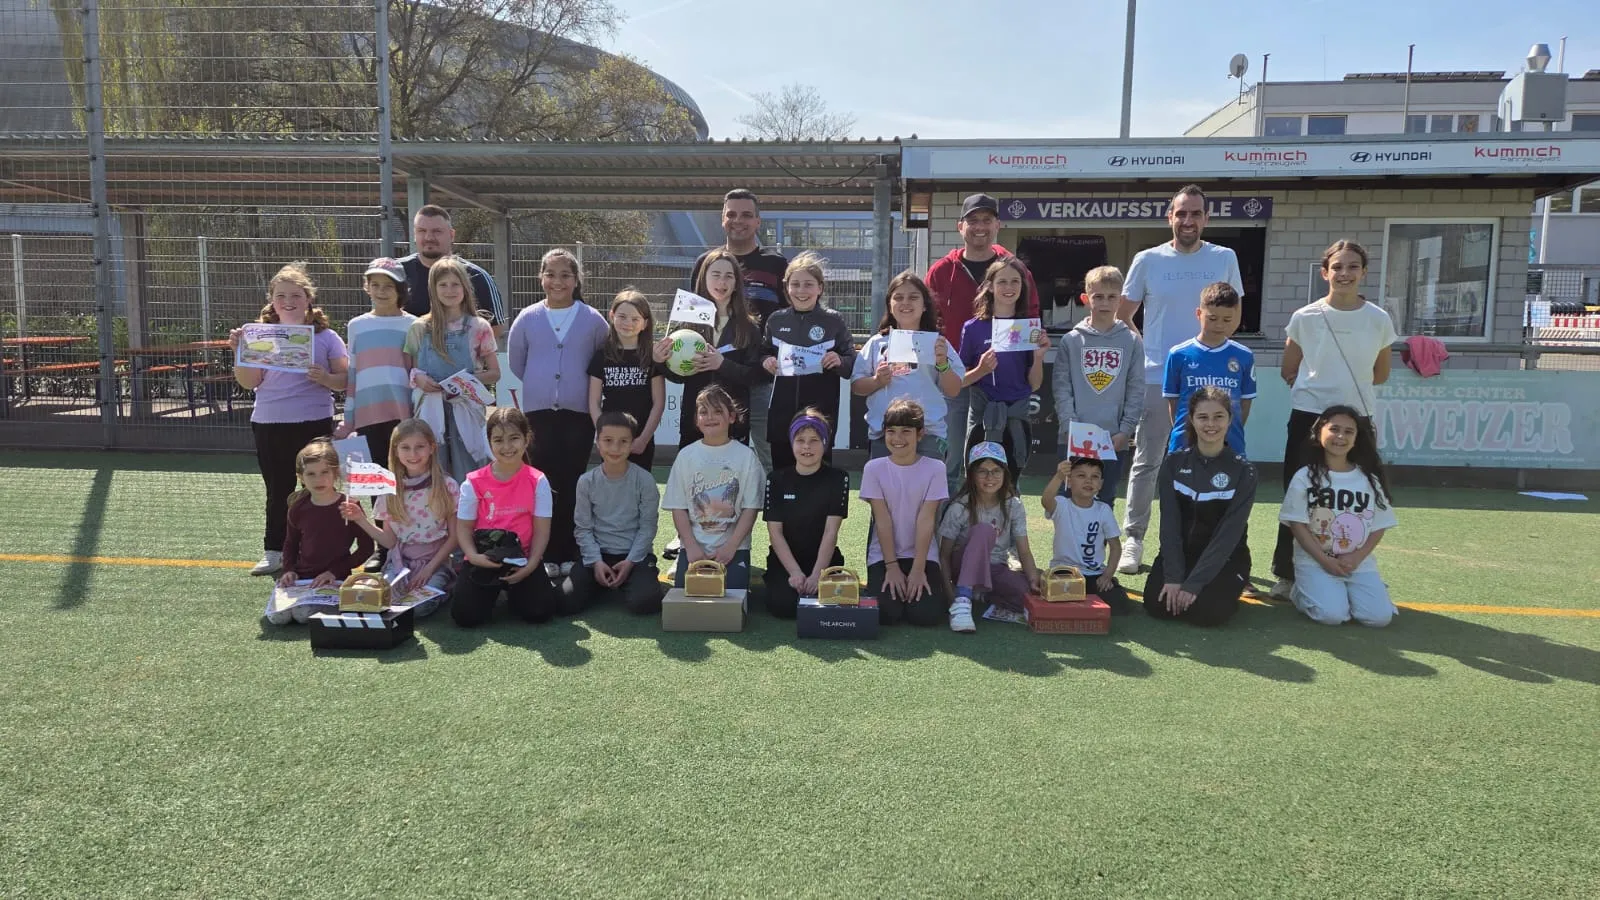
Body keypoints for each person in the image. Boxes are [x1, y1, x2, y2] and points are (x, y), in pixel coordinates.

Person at [1116, 185, 1243, 576]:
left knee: (1212, 461)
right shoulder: (1147, 259)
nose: (1188, 220)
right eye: (1181, 213)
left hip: (1211, 378)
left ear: (1206, 218)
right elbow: (1124, 315)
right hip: (1158, 375)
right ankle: (1134, 538)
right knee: (1149, 461)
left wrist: (1214, 352)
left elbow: (1234, 313)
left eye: (1196, 213)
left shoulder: (1224, 257)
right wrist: (1148, 351)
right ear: (1169, 216)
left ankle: (1207, 544)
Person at [1271, 240, 1398, 602]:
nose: (1345, 274)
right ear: (1325, 272)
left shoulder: (1378, 319)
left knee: (1360, 495)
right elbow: (1289, 368)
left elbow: (1381, 373)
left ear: (1364, 272)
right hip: (1309, 417)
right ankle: (1287, 574)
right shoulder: (1305, 317)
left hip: (1359, 417)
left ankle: (1357, 568)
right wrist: (1320, 393)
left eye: (1353, 266)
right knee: (1299, 493)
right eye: (1337, 267)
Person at [233, 262, 349, 576]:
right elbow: (249, 382)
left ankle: (324, 549)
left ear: (308, 299)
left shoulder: (326, 337)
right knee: (278, 489)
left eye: (296, 295)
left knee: (321, 486)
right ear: (272, 300)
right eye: (281, 295)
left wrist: (325, 378)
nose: (288, 301)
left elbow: (345, 380)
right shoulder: (257, 335)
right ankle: (274, 551)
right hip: (269, 422)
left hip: (314, 421)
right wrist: (241, 351)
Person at [926, 193, 1040, 494]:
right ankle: (949, 521)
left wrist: (1033, 352)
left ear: (998, 225)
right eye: (973, 220)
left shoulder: (1014, 269)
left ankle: (999, 521)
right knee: (952, 459)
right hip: (957, 376)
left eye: (987, 220)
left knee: (1000, 463)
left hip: (1001, 385)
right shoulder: (941, 271)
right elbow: (928, 320)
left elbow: (1031, 314)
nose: (980, 227)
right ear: (960, 226)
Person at [507, 248, 609, 574]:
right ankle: (547, 552)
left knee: (572, 482)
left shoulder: (593, 320)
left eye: (566, 275)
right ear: (541, 278)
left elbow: (602, 361)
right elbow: (517, 362)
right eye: (550, 274)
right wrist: (541, 382)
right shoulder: (528, 318)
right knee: (543, 483)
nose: (558, 281)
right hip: (538, 414)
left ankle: (570, 550)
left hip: (578, 414)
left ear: (576, 280)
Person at [689, 189, 789, 472]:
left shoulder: (776, 264)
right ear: (722, 219)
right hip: (715, 377)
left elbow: (789, 318)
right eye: (731, 214)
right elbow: (693, 317)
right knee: (718, 458)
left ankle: (772, 502)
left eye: (746, 215)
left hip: (764, 377)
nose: (738, 221)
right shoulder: (704, 263)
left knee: (771, 457)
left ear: (758, 221)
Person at [1143, 387, 1257, 627]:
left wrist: (1194, 584)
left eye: (1218, 416)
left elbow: (1228, 536)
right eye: (1203, 417)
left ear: (1229, 420)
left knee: (1207, 613)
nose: (1211, 424)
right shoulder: (1173, 464)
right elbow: (1170, 526)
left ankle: (1224, 588)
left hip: (1225, 558)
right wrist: (1173, 578)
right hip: (1183, 555)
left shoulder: (1243, 471)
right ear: (1192, 420)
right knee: (1157, 604)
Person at [1278, 406, 1399, 627]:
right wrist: (1324, 560)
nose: (1341, 436)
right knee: (1331, 616)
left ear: (1356, 439)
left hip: (1356, 563)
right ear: (1319, 433)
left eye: (1348, 431)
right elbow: (1297, 525)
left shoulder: (1368, 480)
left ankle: (1352, 592)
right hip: (1315, 561)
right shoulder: (1304, 477)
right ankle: (1300, 593)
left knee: (1378, 619)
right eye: (1334, 429)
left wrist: (1357, 557)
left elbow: (1379, 525)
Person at [450, 407, 561, 627]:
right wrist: (473, 557)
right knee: (465, 616)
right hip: (484, 559)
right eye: (498, 440)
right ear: (490, 443)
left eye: (514, 438)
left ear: (526, 439)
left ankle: (514, 591)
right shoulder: (473, 482)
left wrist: (531, 565)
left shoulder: (538, 480)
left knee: (540, 612)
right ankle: (495, 592)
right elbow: (463, 528)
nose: (507, 447)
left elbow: (541, 530)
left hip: (523, 560)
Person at [339, 418, 458, 618]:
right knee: (386, 601)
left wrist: (429, 570)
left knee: (420, 607)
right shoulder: (389, 489)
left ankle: (447, 588)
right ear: (395, 450)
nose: (413, 454)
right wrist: (360, 519)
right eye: (405, 447)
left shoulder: (447, 486)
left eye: (420, 447)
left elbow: (455, 537)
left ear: (432, 448)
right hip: (400, 563)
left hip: (436, 563)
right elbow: (389, 541)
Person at [656, 247, 769, 447]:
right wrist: (661, 362)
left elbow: (756, 376)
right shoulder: (688, 322)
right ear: (704, 278)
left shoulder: (748, 327)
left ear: (736, 283)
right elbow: (679, 376)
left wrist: (722, 364)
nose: (721, 282)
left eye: (728, 276)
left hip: (733, 424)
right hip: (694, 421)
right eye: (715, 275)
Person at [404, 256, 500, 484]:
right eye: (443, 285)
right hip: (430, 410)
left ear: (465, 287)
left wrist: (465, 382)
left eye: (455, 284)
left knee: (468, 471)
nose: (450, 290)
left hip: (466, 409)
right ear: (433, 288)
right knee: (432, 470)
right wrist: (419, 379)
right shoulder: (419, 327)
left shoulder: (479, 326)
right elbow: (412, 369)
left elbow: (495, 373)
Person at [1053, 264, 1143, 506]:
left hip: (1113, 439)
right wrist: (1070, 426)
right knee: (1068, 502)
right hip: (1073, 439)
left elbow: (1136, 389)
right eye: (1098, 296)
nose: (1105, 302)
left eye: (1112, 297)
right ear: (1085, 299)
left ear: (1121, 300)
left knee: (1104, 502)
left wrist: (1126, 430)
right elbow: (1062, 387)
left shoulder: (1132, 341)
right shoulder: (1071, 340)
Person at [662, 385, 765, 593]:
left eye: (718, 411)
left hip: (734, 549)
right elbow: (678, 507)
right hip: (694, 548)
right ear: (696, 419)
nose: (710, 417)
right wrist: (690, 546)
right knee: (686, 597)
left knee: (732, 596)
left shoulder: (746, 457)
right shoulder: (686, 456)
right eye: (703, 412)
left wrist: (731, 546)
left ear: (732, 417)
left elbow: (751, 508)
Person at [852, 271, 966, 460]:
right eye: (898, 297)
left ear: (924, 305)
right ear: (890, 305)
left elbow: (953, 390)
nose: (905, 302)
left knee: (928, 480)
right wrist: (877, 381)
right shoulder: (876, 343)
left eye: (913, 297)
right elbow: (857, 386)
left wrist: (943, 364)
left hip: (928, 433)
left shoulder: (938, 343)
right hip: (885, 433)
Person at [859, 399, 953, 627]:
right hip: (884, 555)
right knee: (886, 614)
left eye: (906, 431)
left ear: (920, 434)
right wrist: (891, 567)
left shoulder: (936, 468)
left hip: (922, 555)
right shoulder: (873, 468)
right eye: (891, 431)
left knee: (926, 616)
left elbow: (926, 520)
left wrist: (919, 569)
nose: (897, 438)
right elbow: (882, 520)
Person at [760, 252, 855, 472]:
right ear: (786, 288)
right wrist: (766, 361)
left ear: (820, 288)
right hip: (781, 414)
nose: (801, 291)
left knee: (818, 473)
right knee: (782, 472)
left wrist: (839, 360)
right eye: (795, 284)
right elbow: (762, 353)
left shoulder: (833, 321)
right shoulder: (776, 320)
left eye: (808, 284)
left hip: (821, 413)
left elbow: (851, 362)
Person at [958, 257, 1051, 482]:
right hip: (983, 415)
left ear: (1022, 286)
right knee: (978, 481)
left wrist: (1038, 357)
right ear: (990, 286)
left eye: (1015, 281)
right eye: (1002, 281)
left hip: (1017, 414)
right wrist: (981, 370)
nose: (1009, 287)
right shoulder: (973, 328)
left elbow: (1034, 384)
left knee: (1011, 481)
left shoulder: (1028, 329)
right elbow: (958, 381)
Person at [264, 440, 374, 625]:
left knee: (303, 615)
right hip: (302, 579)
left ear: (335, 473)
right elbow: (290, 543)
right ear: (301, 477)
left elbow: (366, 547)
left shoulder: (349, 506)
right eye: (311, 474)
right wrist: (289, 571)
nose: (318, 479)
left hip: (334, 579)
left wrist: (334, 572)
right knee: (278, 617)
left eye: (325, 472)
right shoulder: (298, 508)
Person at [937, 442, 1040, 632]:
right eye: (982, 471)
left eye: (996, 471)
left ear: (1005, 474)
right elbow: (944, 555)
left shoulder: (1014, 505)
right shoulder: (959, 507)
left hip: (995, 567)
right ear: (972, 475)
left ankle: (981, 595)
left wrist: (1033, 579)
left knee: (1025, 594)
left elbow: (1024, 551)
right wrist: (951, 597)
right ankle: (963, 598)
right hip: (962, 566)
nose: (990, 477)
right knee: (984, 531)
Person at [569, 412, 663, 616]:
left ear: (632, 443)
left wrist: (630, 562)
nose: (615, 448)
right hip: (598, 554)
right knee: (566, 601)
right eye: (608, 441)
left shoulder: (644, 480)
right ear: (597, 442)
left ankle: (629, 578)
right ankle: (601, 579)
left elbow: (648, 528)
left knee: (646, 602)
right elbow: (583, 528)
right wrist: (596, 562)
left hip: (634, 556)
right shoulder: (586, 482)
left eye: (623, 442)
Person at [762, 409, 851, 619]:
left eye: (814, 440)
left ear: (825, 443)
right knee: (783, 606)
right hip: (786, 560)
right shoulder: (776, 480)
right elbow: (775, 533)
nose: (806, 447)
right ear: (791, 443)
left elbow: (831, 532)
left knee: (829, 602)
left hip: (823, 559)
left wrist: (818, 574)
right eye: (800, 440)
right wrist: (794, 572)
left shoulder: (838, 479)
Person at [339, 257, 416, 485]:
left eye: (388, 286)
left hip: (403, 414)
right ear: (367, 287)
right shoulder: (356, 325)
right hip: (367, 415)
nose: (381, 291)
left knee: (404, 480)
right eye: (375, 285)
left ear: (400, 289)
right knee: (374, 484)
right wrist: (349, 419)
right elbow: (353, 373)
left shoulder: (414, 325)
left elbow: (416, 371)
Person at [1163, 282, 1256, 455]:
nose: (1219, 325)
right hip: (1184, 445)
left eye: (1227, 320)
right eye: (1212, 319)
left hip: (1230, 446)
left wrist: (1222, 431)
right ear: (1199, 314)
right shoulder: (1178, 354)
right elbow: (1173, 403)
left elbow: (1244, 403)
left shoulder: (1244, 355)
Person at [1041, 456, 1132, 615]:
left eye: (1094, 476)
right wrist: (1059, 476)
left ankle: (1088, 597)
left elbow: (1115, 547)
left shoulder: (1103, 510)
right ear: (1069, 481)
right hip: (1064, 573)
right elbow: (1046, 500)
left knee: (1119, 601)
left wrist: (1107, 576)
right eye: (1081, 475)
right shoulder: (1062, 505)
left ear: (1101, 484)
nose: (1088, 481)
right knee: (1055, 596)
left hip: (1094, 574)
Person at [588, 290, 665, 471]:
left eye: (635, 319)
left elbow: (659, 403)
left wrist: (643, 439)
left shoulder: (652, 356)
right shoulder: (601, 355)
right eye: (622, 317)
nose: (627, 323)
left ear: (645, 323)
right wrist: (603, 436)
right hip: (611, 440)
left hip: (640, 439)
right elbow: (593, 401)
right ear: (612, 316)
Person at [400, 204, 506, 333]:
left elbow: (495, 327)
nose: (429, 237)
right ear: (414, 234)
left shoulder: (476, 276)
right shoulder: (397, 273)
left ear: (451, 235)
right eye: (422, 231)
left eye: (437, 231)